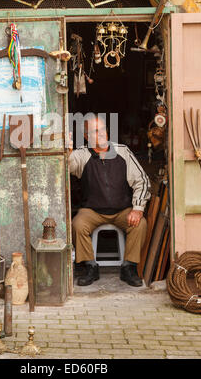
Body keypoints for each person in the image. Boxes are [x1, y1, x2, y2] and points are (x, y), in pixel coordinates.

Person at [68, 114, 151, 287]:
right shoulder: (81, 154)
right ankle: (90, 266)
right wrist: (67, 151)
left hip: (122, 209)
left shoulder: (122, 151)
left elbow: (142, 180)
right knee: (77, 224)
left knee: (140, 223)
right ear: (86, 136)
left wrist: (137, 208)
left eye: (103, 129)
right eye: (94, 131)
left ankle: (129, 267)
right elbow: (68, 166)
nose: (101, 134)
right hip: (92, 211)